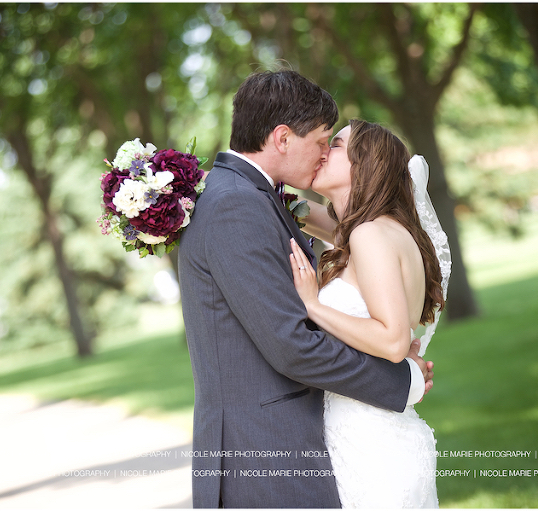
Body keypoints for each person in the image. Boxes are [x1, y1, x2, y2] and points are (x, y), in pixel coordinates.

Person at [178, 70, 435, 508]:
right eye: (322, 141)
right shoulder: (237, 204)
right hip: (262, 452)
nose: (322, 154)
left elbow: (344, 232)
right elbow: (292, 343)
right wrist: (401, 380)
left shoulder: (255, 197)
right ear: (282, 138)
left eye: (334, 146)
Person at [288, 119, 452, 508]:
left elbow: (394, 341)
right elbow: (296, 208)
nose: (324, 150)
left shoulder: (369, 235)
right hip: (379, 433)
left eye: (338, 145)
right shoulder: (371, 230)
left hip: (370, 448)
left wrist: (313, 306)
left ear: (364, 164)